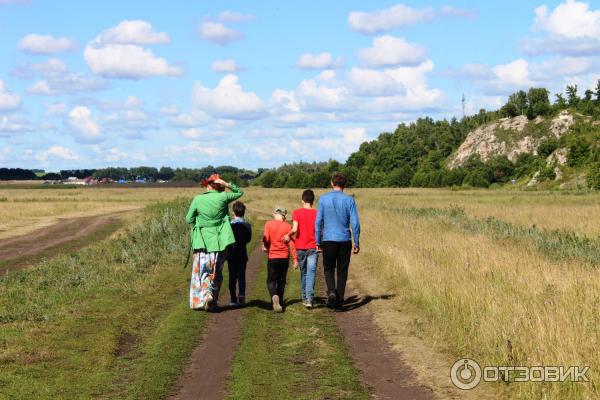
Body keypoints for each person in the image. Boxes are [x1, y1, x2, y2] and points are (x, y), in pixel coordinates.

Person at [186, 174, 243, 311]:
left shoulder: (198, 199)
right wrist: (226, 183)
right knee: (216, 271)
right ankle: (212, 297)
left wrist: (199, 223)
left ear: (208, 185)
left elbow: (189, 219)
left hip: (202, 241)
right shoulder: (222, 197)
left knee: (203, 270)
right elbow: (239, 192)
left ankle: (204, 297)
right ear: (218, 185)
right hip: (220, 241)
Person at [315, 172, 360, 309]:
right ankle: (339, 299)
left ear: (332, 183)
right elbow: (355, 223)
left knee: (328, 268)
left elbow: (318, 222)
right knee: (342, 270)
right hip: (345, 239)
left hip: (328, 239)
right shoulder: (350, 200)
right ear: (344, 185)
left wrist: (318, 241)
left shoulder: (323, 199)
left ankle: (331, 292)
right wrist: (356, 242)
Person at [284, 189, 318, 309]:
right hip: (313, 246)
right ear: (313, 201)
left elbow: (295, 229)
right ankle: (309, 298)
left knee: (304, 272)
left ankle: (305, 297)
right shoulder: (317, 213)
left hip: (300, 247)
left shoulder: (297, 212)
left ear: (302, 200)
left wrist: (288, 235)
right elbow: (319, 230)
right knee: (311, 272)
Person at [262, 207, 298, 313]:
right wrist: (295, 259)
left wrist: (264, 245)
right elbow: (292, 244)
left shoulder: (268, 224)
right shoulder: (288, 226)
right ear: (284, 216)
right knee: (281, 281)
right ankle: (280, 302)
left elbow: (266, 238)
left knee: (271, 280)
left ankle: (274, 296)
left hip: (273, 256)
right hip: (284, 257)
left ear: (274, 214)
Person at [227, 201, 252, 306]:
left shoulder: (229, 225)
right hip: (242, 252)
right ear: (244, 212)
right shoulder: (247, 225)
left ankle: (233, 299)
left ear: (233, 212)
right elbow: (248, 239)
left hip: (231, 253)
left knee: (232, 276)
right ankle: (241, 294)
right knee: (241, 276)